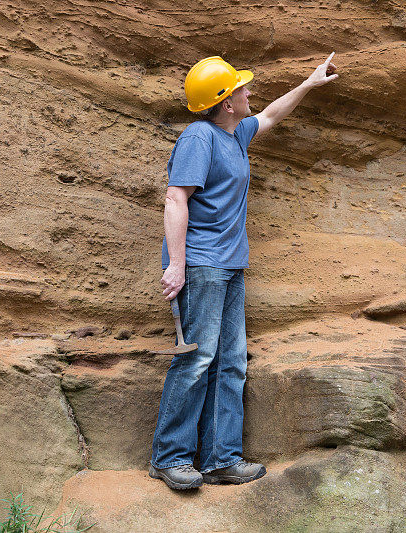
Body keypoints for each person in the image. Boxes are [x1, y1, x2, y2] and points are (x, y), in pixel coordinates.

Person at [150, 53, 338, 490]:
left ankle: (220, 459)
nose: (250, 91)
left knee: (230, 363)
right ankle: (170, 457)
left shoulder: (234, 134)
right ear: (226, 102)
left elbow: (271, 115)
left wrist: (309, 83)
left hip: (231, 266)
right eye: (241, 88)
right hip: (202, 266)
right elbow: (176, 199)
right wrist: (176, 266)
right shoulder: (199, 137)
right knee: (197, 360)